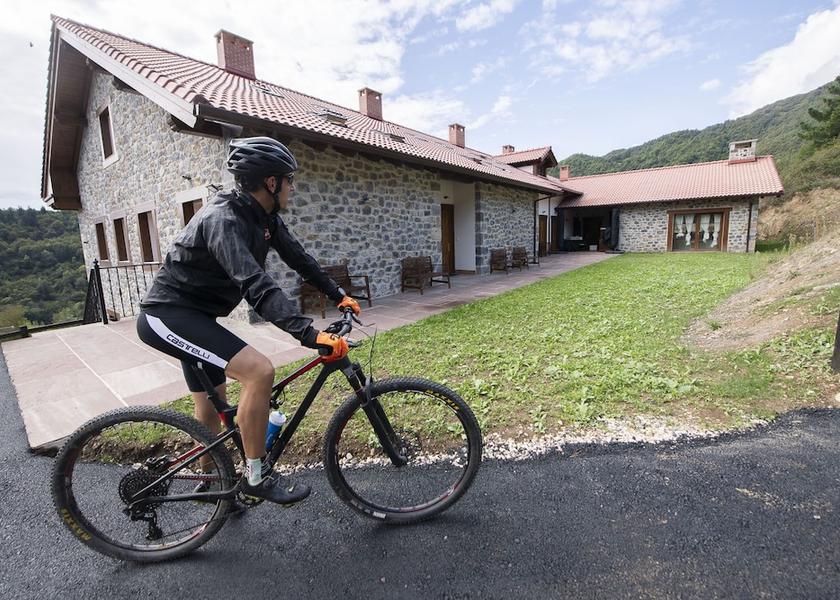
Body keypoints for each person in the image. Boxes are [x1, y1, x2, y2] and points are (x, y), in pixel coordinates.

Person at [136, 137, 361, 505]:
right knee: (258, 371)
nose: (293, 187)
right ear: (271, 183)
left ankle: (210, 487)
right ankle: (256, 476)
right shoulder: (222, 219)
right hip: (167, 316)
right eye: (289, 180)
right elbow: (256, 285)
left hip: (195, 315)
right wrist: (309, 334)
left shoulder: (263, 217)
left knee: (208, 412)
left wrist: (339, 295)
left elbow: (300, 259)